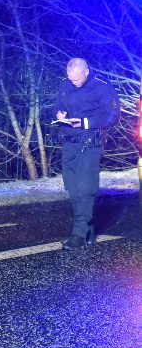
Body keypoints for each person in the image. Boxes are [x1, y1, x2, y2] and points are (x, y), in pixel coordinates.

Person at [55, 58, 120, 250]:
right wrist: (60, 115)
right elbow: (58, 107)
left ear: (86, 72)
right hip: (69, 143)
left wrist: (84, 122)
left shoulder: (102, 87)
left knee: (85, 189)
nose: (72, 82)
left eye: (76, 79)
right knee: (73, 189)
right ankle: (88, 228)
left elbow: (113, 115)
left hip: (90, 144)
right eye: (70, 79)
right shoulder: (65, 86)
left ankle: (78, 235)